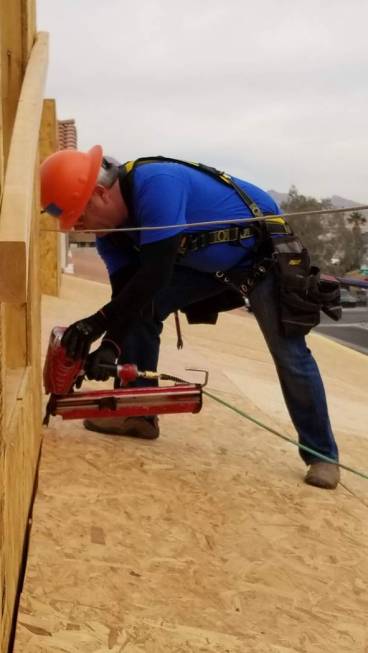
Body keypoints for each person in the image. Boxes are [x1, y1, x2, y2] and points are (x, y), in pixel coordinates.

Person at [40, 145, 340, 489]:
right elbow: (127, 297)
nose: (80, 227)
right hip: (206, 266)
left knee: (289, 353)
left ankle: (322, 455)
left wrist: (93, 325)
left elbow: (155, 274)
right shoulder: (112, 238)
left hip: (261, 258)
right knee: (142, 309)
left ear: (99, 194)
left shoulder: (157, 183)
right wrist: (109, 346)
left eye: (80, 216)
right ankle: (137, 413)